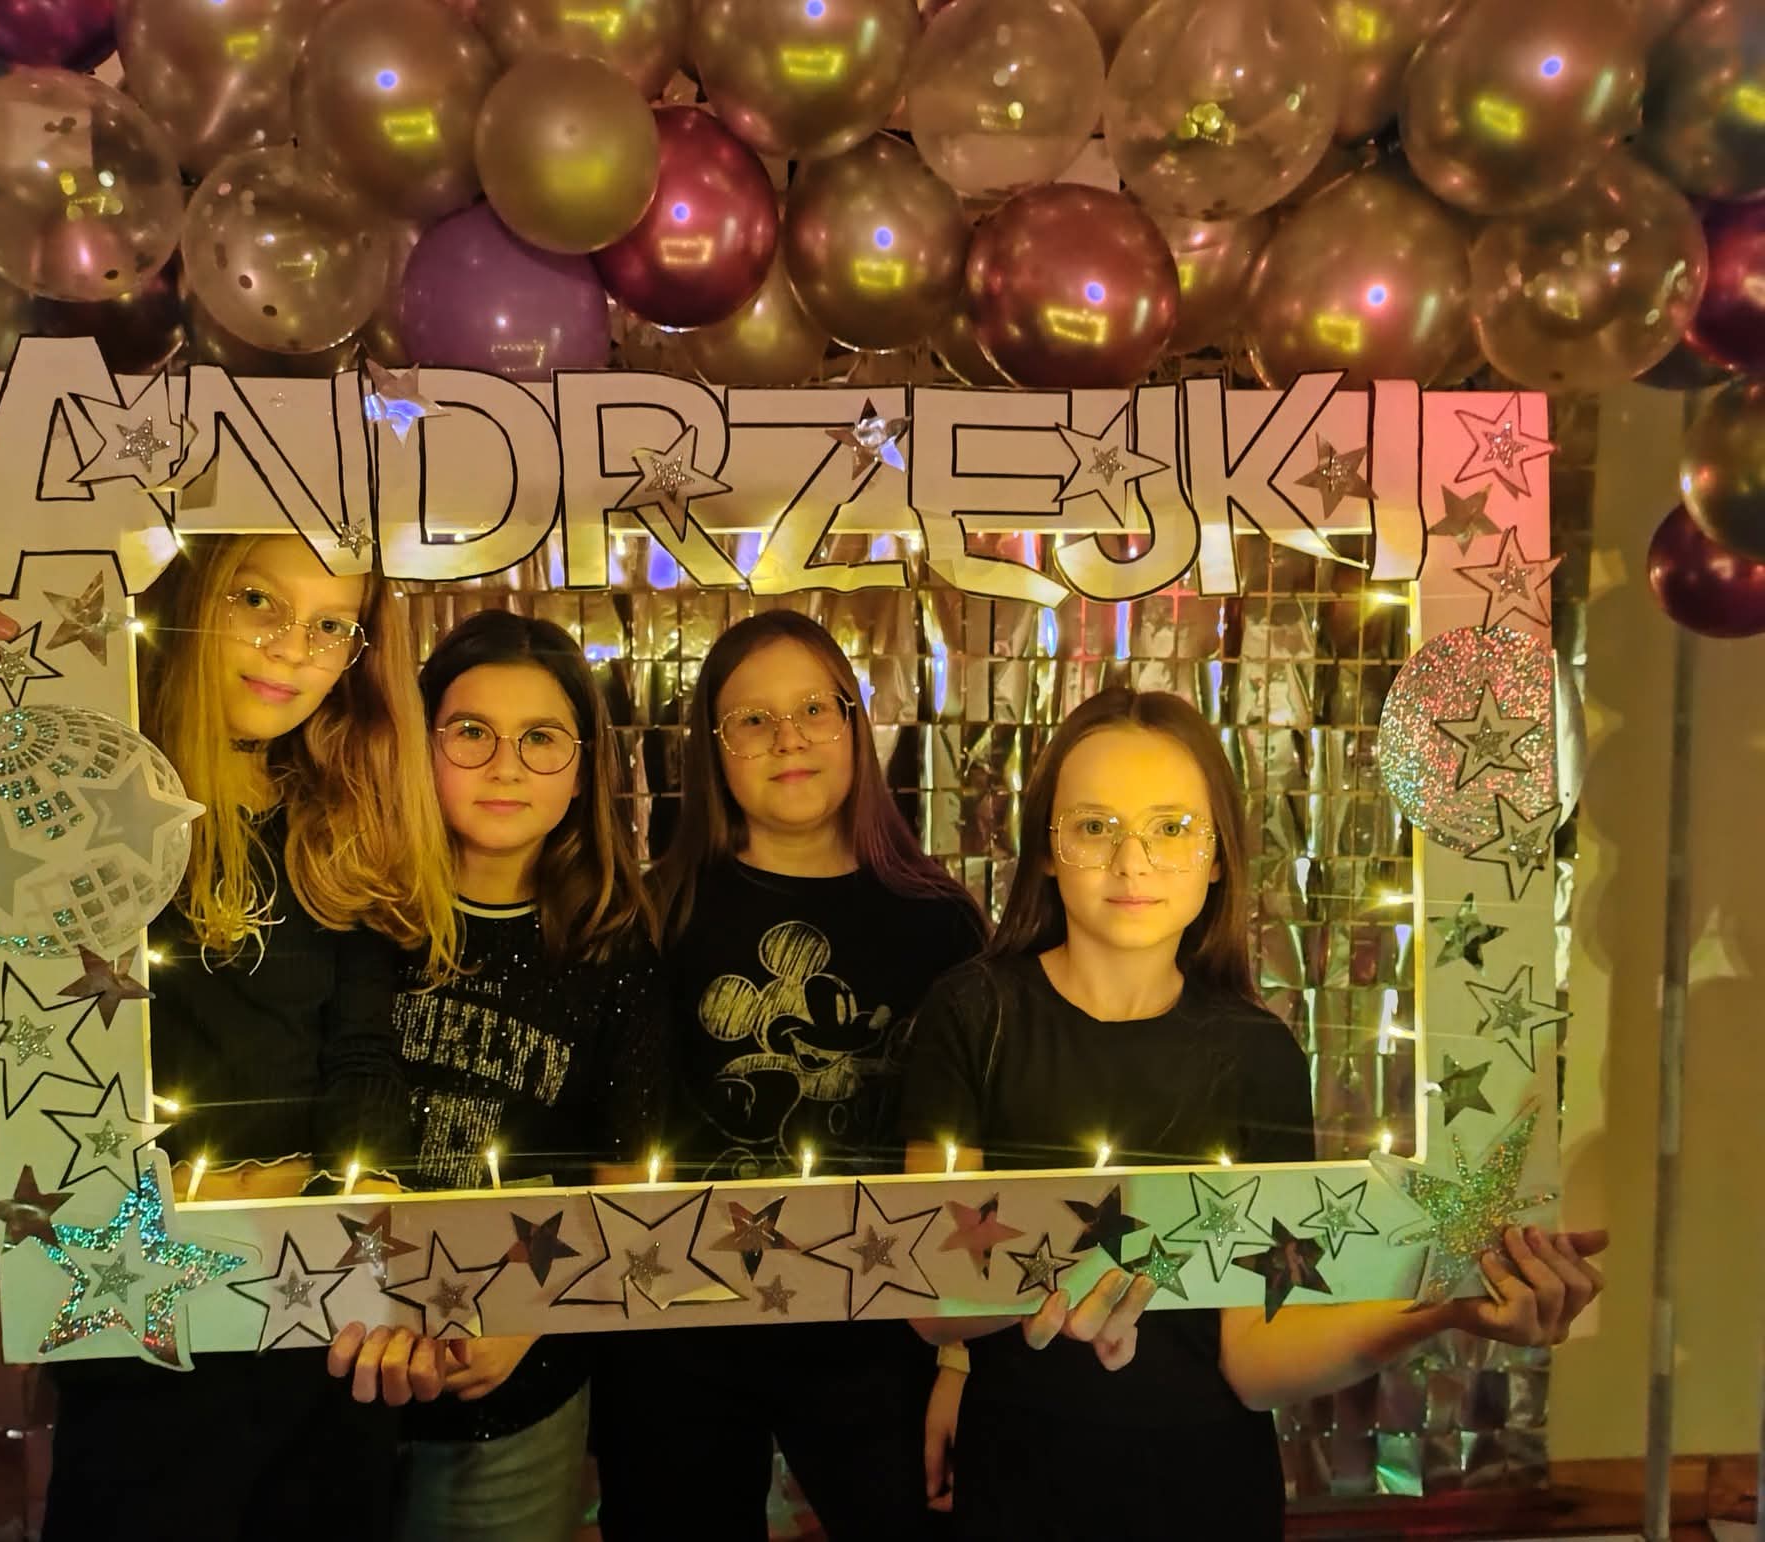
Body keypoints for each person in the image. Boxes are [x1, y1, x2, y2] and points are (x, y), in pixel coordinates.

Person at [900, 687, 1607, 1538]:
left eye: (1171, 828)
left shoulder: (1256, 1051)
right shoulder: (973, 1015)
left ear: (1218, 856)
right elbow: (931, 1295)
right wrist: (1071, 1267)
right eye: (1094, 826)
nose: (1133, 862)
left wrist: (1447, 1306)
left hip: (1207, 1489)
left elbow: (1256, 1357)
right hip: (1022, 1485)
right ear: (1048, 849)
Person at [0, 538, 458, 1541]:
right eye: (257, 600)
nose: (292, 647)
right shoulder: (80, 802)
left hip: (321, 1342)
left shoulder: (340, 822)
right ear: (192, 595)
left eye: (332, 624)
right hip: (143, 1342)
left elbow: (364, 1068)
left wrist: (371, 1271)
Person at [593, 610, 986, 1542]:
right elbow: (621, 1145)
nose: (789, 738)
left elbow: (975, 1159)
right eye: (753, 720)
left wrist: (961, 1359)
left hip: (884, 1324)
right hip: (685, 1326)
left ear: (855, 722)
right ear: (713, 749)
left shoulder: (940, 921)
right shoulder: (658, 911)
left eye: (814, 708)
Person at [320, 609, 667, 1542]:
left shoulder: (614, 950)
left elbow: (628, 1185)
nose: (505, 765)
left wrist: (529, 1314)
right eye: (471, 731)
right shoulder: (354, 918)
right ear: (419, 745)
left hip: (515, 1396)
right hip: (333, 1368)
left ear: (582, 769)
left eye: (541, 738)